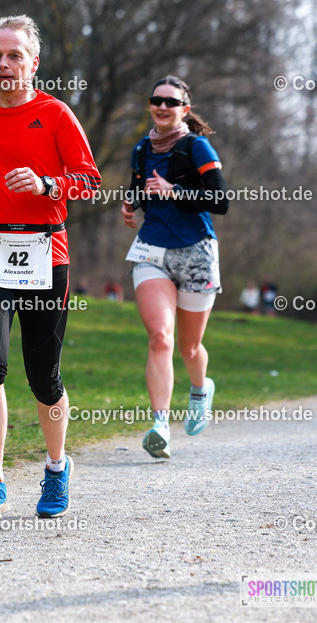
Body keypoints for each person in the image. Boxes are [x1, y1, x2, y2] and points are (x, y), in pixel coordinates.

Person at [0, 15, 101, 518]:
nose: (4, 64)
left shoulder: (56, 115)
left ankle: (56, 469)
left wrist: (46, 184)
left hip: (44, 255)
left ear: (34, 63)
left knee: (44, 376)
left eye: (15, 55)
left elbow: (90, 183)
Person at [121, 75, 229, 459]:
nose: (162, 107)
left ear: (185, 109)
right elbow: (138, 187)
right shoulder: (141, 149)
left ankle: (200, 389)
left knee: (189, 346)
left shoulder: (196, 146)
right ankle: (160, 424)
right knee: (160, 338)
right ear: (150, 105)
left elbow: (220, 200)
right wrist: (130, 203)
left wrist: (175, 192)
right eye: (157, 100)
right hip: (152, 250)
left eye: (172, 102)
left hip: (197, 253)